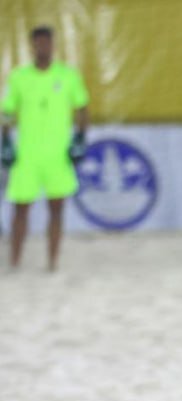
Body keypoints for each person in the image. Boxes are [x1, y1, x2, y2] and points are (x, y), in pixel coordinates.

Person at [1, 25, 89, 271]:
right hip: (27, 155)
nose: (43, 47)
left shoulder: (68, 75)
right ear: (32, 46)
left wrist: (80, 139)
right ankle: (14, 263)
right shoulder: (19, 77)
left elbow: (82, 108)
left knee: (57, 210)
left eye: (47, 42)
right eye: (38, 43)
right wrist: (5, 140)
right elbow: (7, 111)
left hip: (58, 155)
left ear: (53, 44)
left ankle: (52, 262)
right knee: (20, 210)